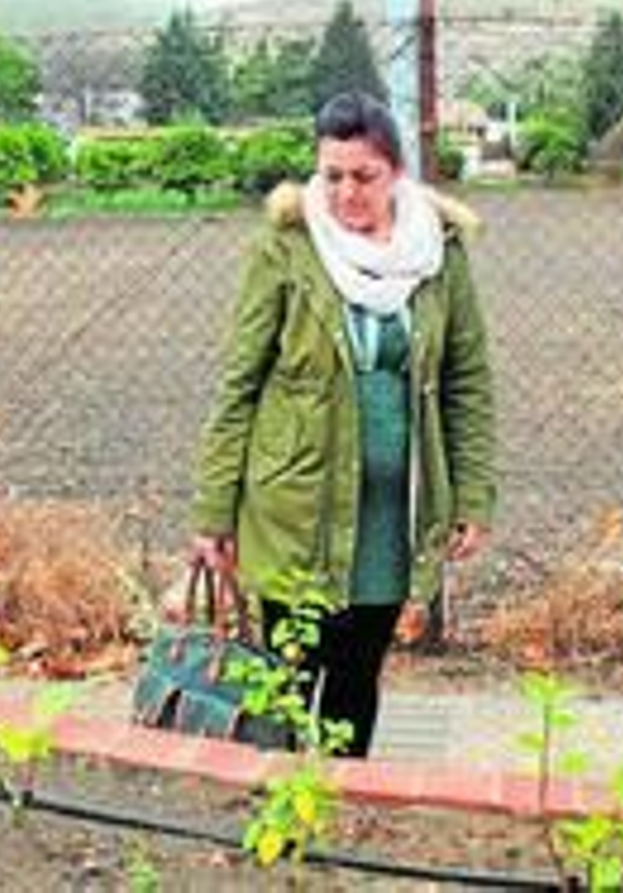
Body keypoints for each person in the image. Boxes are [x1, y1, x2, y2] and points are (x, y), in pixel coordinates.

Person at [188, 91, 496, 758]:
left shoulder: (438, 253)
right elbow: (238, 382)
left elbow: (467, 383)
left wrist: (473, 496)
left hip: (392, 513)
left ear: (396, 175)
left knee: (358, 675)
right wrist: (214, 512)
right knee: (290, 678)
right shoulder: (287, 248)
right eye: (332, 176)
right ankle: (285, 820)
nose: (346, 193)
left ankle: (340, 807)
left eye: (364, 176)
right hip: (294, 508)